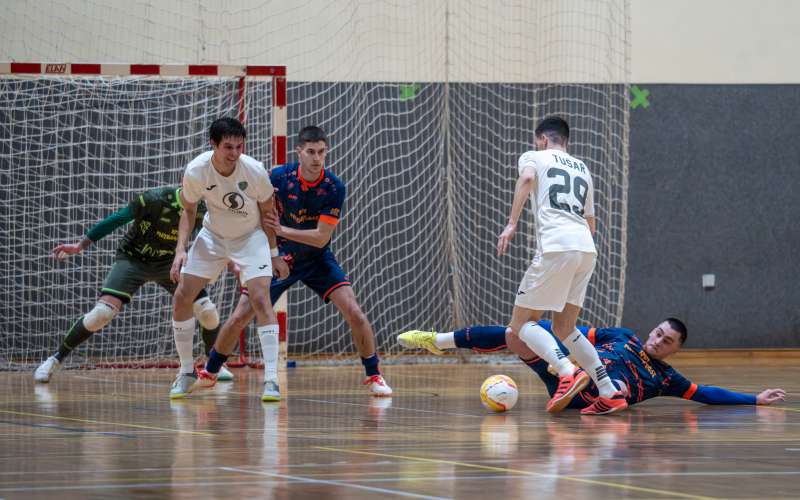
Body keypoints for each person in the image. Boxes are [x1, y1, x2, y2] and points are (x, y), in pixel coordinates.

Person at [221, 125, 392, 396]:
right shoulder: (277, 176)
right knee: (240, 315)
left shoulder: (334, 186)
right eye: (310, 152)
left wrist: (281, 229)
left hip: (316, 258)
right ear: (299, 152)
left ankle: (374, 375)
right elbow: (249, 207)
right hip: (279, 257)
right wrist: (244, 252)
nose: (316, 158)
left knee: (355, 313)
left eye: (321, 152)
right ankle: (210, 369)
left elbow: (321, 238)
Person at [484, 116, 623, 414]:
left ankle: (566, 370)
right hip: (586, 248)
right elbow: (591, 221)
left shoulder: (534, 156)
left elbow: (526, 179)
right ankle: (609, 391)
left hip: (557, 246)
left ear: (543, 139)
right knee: (565, 326)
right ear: (565, 140)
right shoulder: (583, 168)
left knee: (521, 324)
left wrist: (511, 224)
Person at [35, 185, 234, 391]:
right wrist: (80, 245)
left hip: (169, 263)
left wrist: (232, 262)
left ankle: (215, 366)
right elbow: (117, 218)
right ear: (185, 181)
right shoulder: (154, 199)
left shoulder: (202, 209)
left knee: (207, 311)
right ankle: (55, 359)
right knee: (101, 314)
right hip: (133, 259)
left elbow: (216, 239)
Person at [398, 319, 786, 409]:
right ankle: (438, 341)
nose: (656, 340)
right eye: (657, 332)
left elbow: (705, 394)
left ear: (674, 351)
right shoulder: (624, 336)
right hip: (563, 377)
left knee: (614, 390)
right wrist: (538, 328)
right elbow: (569, 330)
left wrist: (754, 399)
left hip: (591, 399)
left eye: (666, 341)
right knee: (517, 330)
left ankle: (603, 396)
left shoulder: (666, 377)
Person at [170, 117, 289, 401]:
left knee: (260, 298)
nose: (234, 153)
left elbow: (268, 213)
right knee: (182, 296)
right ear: (213, 144)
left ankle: (271, 380)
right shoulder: (197, 170)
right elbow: (187, 209)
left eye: (239, 146)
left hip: (251, 238)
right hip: (213, 236)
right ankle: (186, 371)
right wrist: (180, 249)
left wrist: (273, 254)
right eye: (228, 147)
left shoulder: (255, 171)